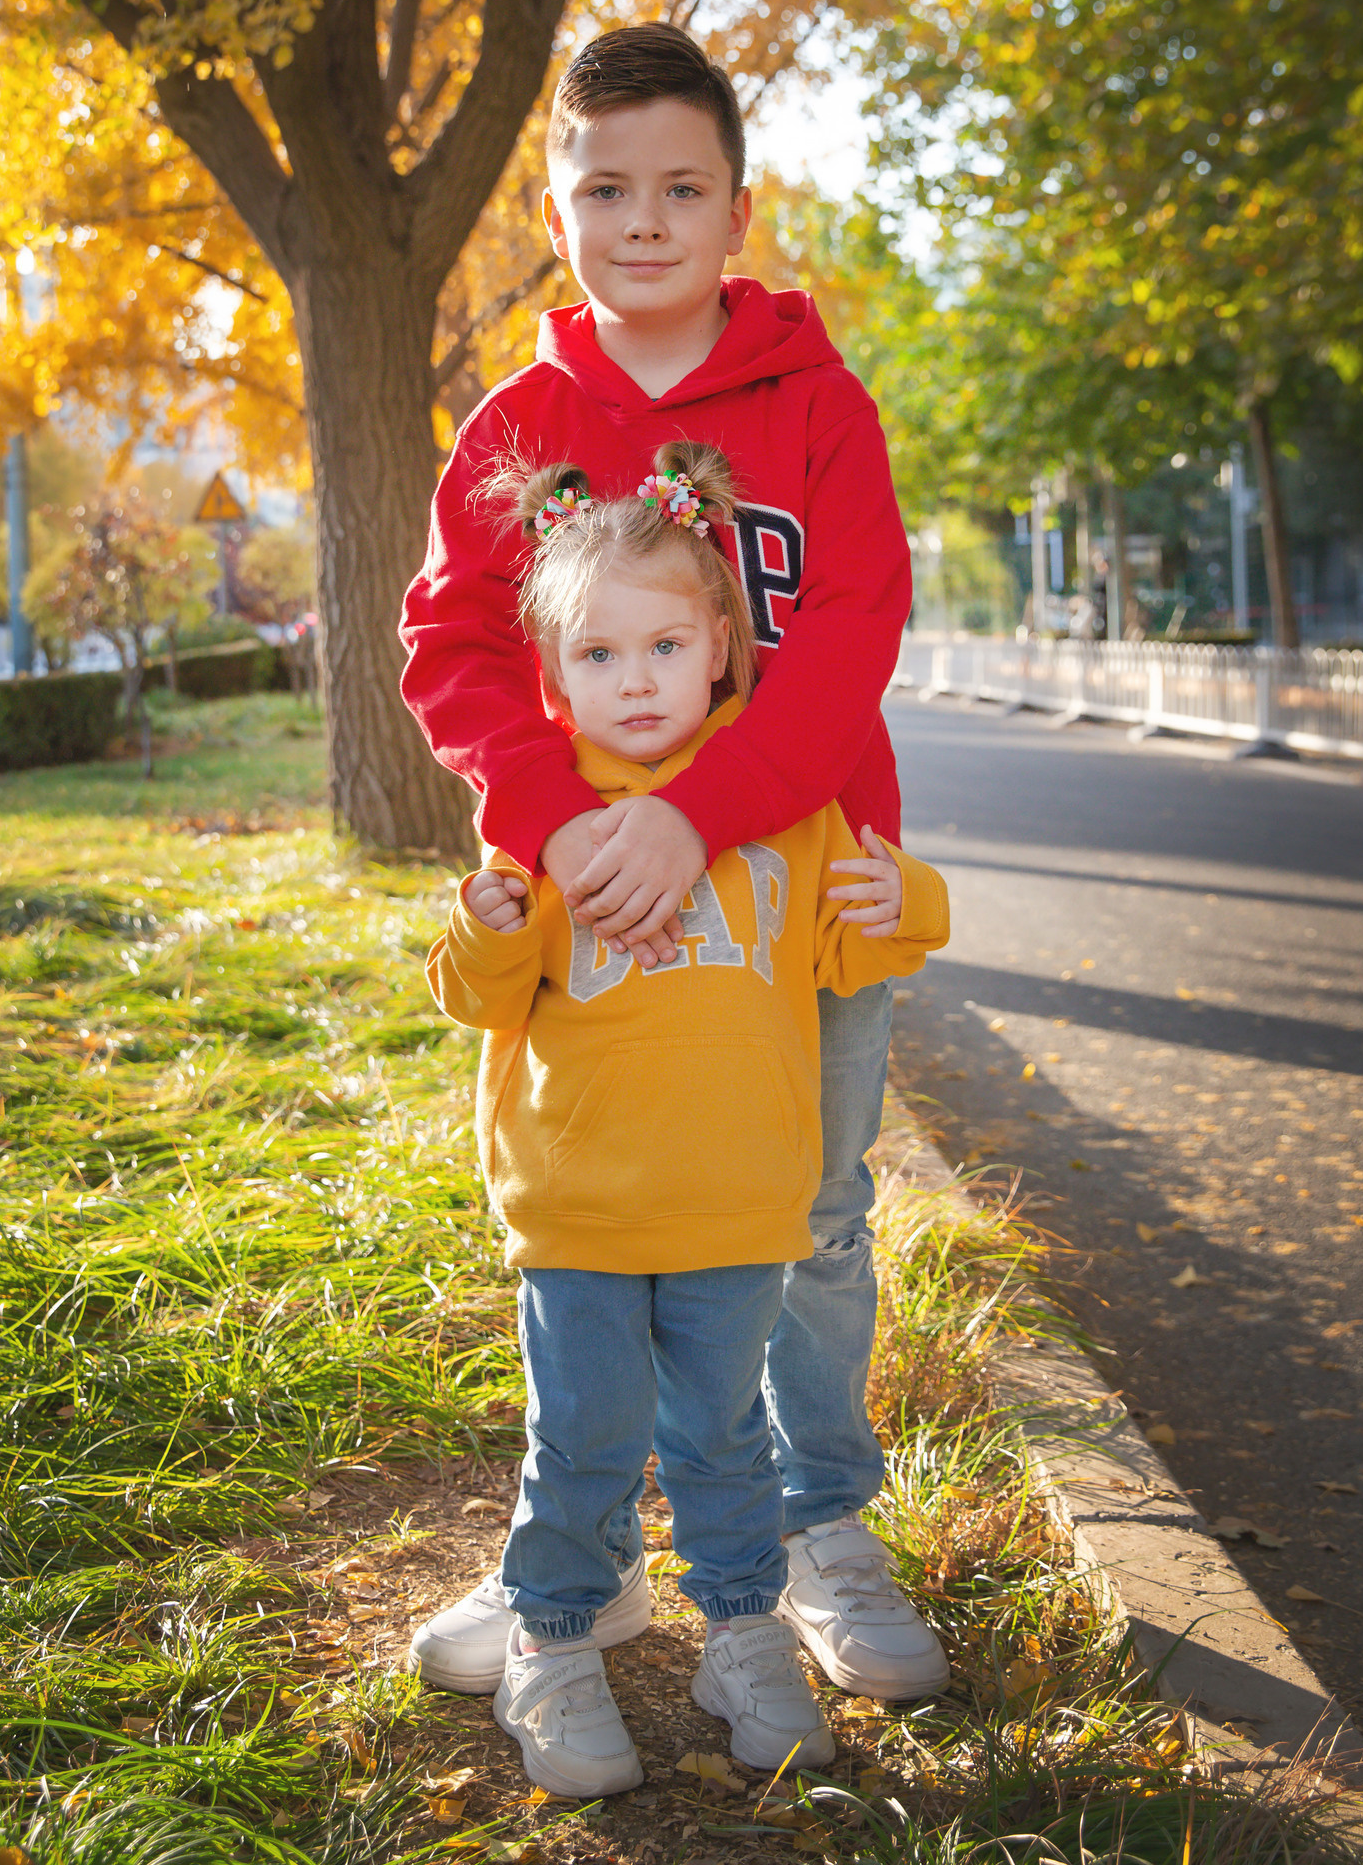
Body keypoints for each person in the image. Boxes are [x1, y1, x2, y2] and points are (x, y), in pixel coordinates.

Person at [402, 22, 947, 1706]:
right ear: (555, 212)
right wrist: (570, 823)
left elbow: (853, 637)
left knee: (813, 1215)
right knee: (584, 1233)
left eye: (682, 188)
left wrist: (696, 814)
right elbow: (455, 650)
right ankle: (575, 1572)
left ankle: (816, 1536)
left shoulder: (815, 401)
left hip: (790, 890)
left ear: (736, 209)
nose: (645, 219)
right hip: (593, 899)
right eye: (606, 188)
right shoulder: (521, 422)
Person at [426, 449, 951, 1796]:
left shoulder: (791, 818)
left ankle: (741, 1628)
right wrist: (481, 930)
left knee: (727, 1441)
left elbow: (864, 944)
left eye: (666, 643)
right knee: (583, 1435)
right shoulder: (551, 834)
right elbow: (487, 1003)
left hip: (737, 1211)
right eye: (601, 655)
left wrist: (916, 906)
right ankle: (555, 1634)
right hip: (582, 1206)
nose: (640, 677)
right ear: (557, 679)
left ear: (723, 645)